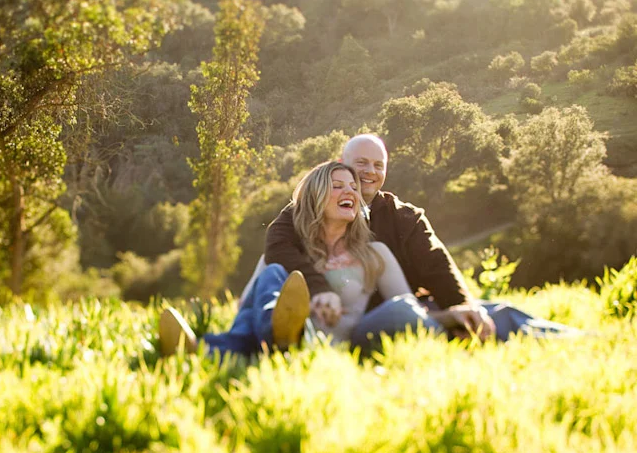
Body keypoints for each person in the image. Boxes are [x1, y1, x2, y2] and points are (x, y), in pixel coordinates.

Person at [261, 134, 580, 345]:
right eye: (361, 164)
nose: (370, 172)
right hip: (352, 318)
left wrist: (462, 308)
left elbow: (436, 263)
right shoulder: (312, 208)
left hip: (412, 311)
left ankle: (577, 340)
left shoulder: (404, 216)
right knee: (409, 316)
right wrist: (318, 288)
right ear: (342, 166)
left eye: (378, 165)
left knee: (497, 313)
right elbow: (277, 245)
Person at [159, 161, 486, 356]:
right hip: (302, 339)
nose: (351, 192)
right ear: (315, 197)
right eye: (337, 185)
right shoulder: (289, 254)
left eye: (353, 187)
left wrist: (448, 317)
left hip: (345, 340)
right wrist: (307, 297)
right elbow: (245, 305)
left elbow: (405, 311)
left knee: (398, 310)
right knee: (272, 274)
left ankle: (206, 349)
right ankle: (278, 335)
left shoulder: (375, 253)